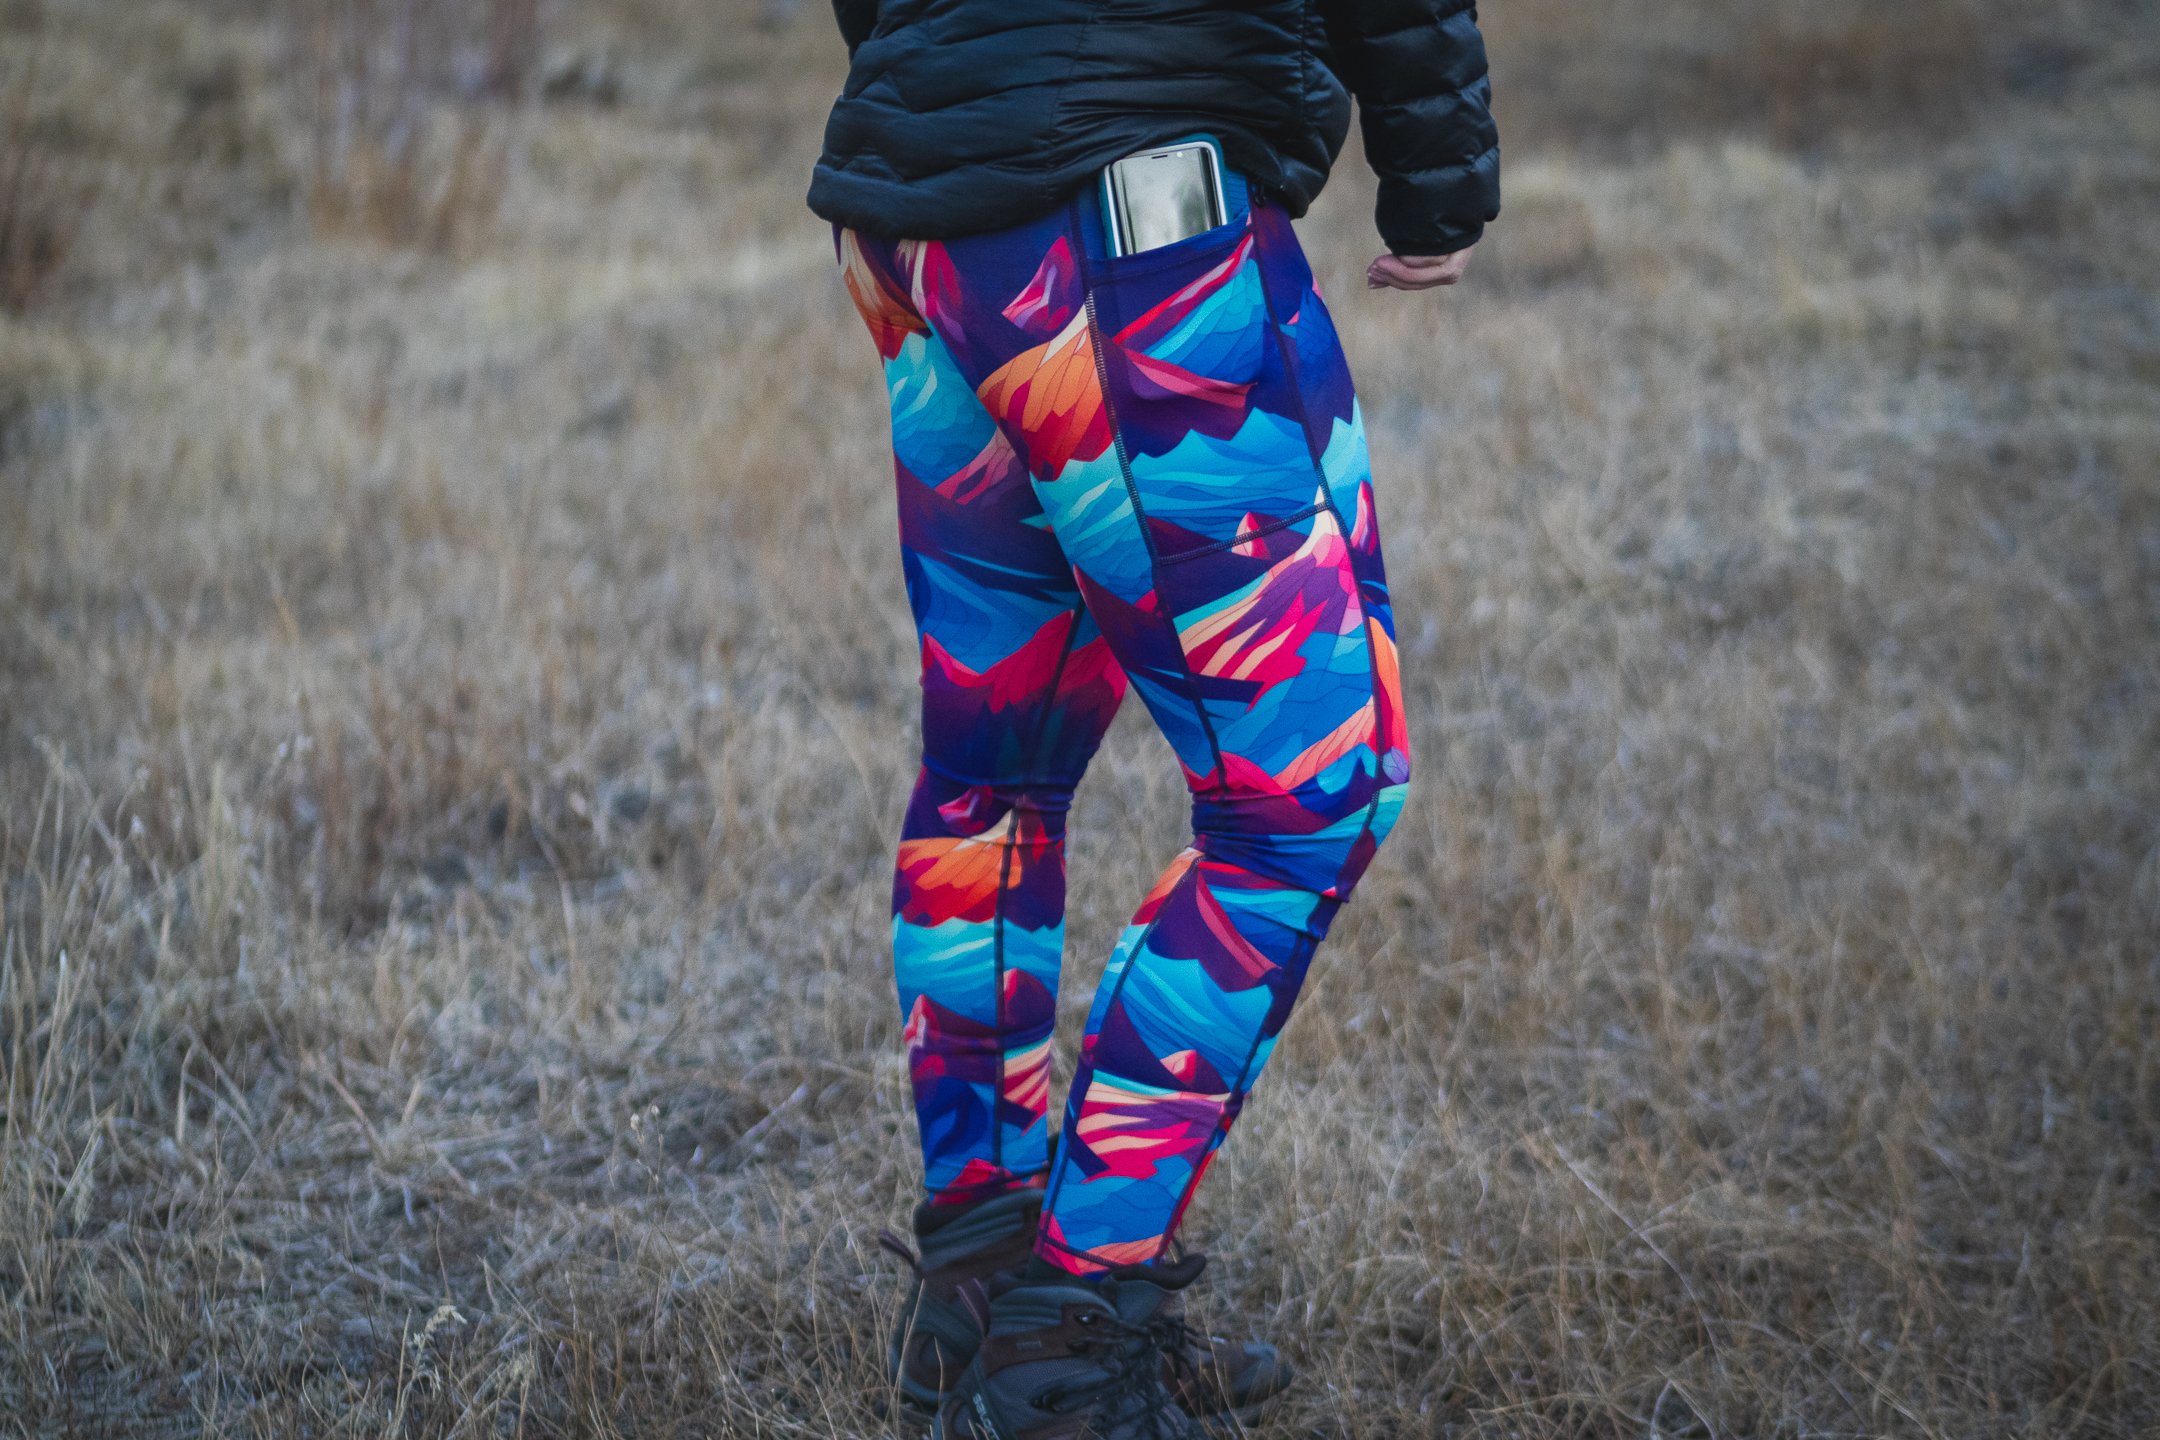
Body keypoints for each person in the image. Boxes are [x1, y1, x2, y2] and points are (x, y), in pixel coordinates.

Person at [809, 2, 1497, 1434]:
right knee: (1313, 795)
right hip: (1133, 228)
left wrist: (949, 83)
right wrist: (1438, 169)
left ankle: (982, 1288)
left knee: (992, 778)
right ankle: (1062, 1346)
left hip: (926, 224)